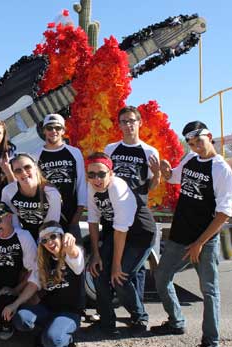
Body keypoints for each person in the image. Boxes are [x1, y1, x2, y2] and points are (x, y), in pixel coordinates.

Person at [151, 121, 232, 347]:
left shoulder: (221, 169)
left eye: (199, 141)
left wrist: (200, 243)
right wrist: (164, 171)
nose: (196, 146)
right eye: (191, 143)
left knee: (209, 291)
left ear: (209, 136)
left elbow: (223, 214)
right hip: (179, 236)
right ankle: (176, 321)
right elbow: (174, 178)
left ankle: (211, 340)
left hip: (204, 242)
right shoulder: (190, 159)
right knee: (161, 277)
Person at [86, 152, 155, 336]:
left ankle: (139, 317)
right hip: (115, 232)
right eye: (91, 174)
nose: (96, 179)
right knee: (97, 272)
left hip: (139, 234)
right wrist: (95, 254)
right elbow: (93, 221)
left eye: (101, 174)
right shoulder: (91, 186)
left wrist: (116, 266)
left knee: (120, 278)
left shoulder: (117, 187)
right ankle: (107, 322)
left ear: (111, 173)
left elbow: (121, 231)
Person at [104, 105, 160, 302]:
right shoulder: (110, 149)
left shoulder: (149, 151)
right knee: (122, 266)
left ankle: (138, 312)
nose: (128, 125)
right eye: (124, 122)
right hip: (114, 214)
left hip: (137, 216)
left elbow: (152, 186)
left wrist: (158, 174)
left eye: (132, 121)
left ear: (139, 123)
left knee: (132, 269)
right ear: (119, 125)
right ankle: (136, 312)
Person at [2, 221, 84, 347]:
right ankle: (48, 332)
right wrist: (14, 304)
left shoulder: (70, 255)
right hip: (48, 310)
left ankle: (63, 339)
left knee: (52, 340)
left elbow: (75, 254)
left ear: (61, 236)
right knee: (21, 319)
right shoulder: (44, 260)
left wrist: (69, 239)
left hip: (69, 312)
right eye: (44, 240)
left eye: (53, 236)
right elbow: (33, 284)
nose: (49, 243)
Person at [0, 202, 37, 341]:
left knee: (6, 302)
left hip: (8, 290)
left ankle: (7, 325)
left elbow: (32, 270)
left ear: (9, 217)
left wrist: (16, 290)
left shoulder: (23, 236)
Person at [35, 114, 86, 242]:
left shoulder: (74, 152)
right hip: (47, 218)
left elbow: (81, 183)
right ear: (44, 130)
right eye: (49, 128)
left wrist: (78, 214)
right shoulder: (36, 155)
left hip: (71, 217)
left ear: (63, 130)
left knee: (75, 257)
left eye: (57, 128)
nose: (53, 131)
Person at [1, 153, 61, 241]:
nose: (24, 172)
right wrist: (24, 240)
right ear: (14, 174)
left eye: (27, 167)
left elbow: (51, 225)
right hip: (24, 234)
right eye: (18, 170)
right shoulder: (8, 191)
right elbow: (12, 222)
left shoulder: (51, 193)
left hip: (50, 235)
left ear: (35, 167)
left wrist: (39, 243)